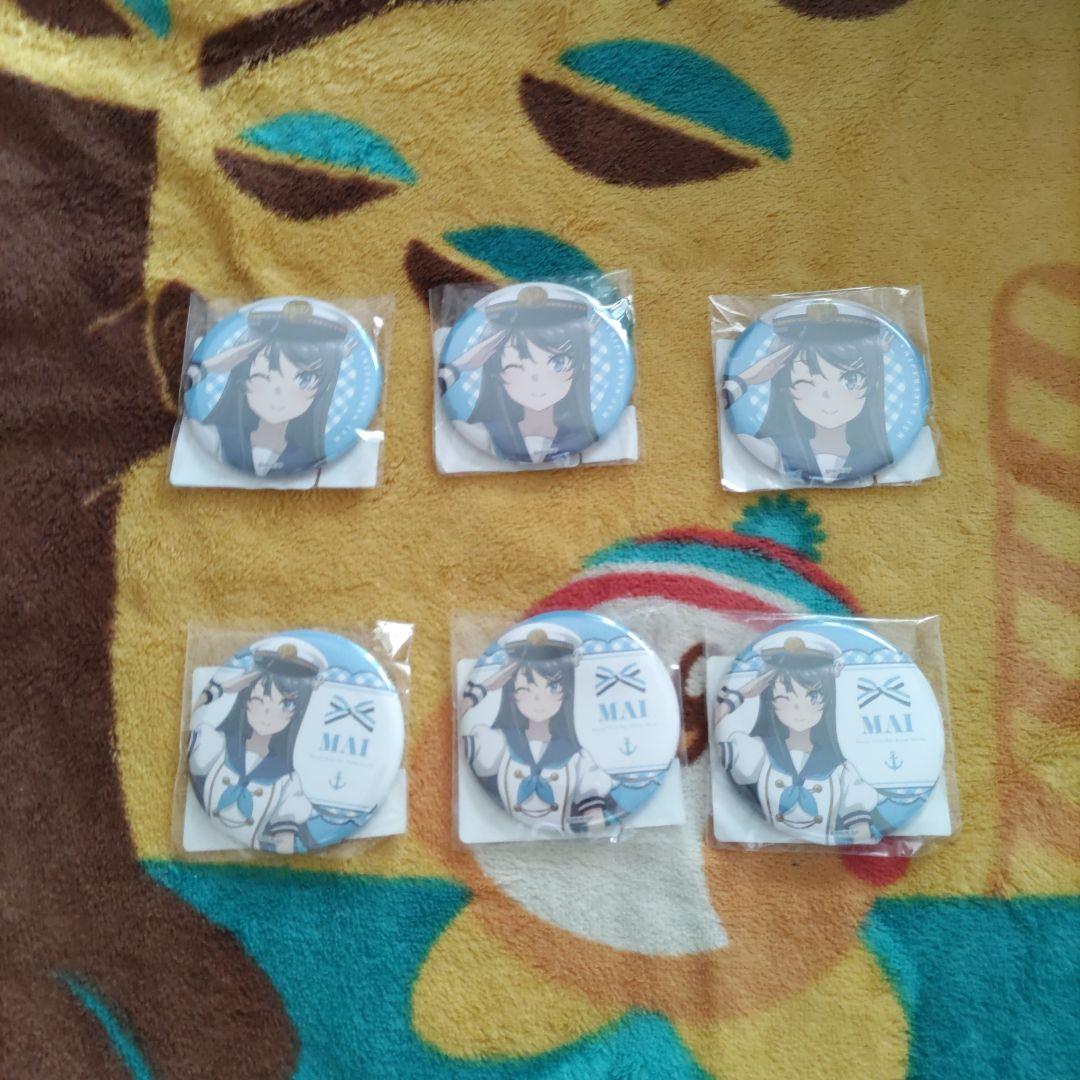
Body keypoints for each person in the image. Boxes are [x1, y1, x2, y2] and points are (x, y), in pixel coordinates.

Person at [713, 633, 878, 844]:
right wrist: (739, 695)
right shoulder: (756, 751)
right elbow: (710, 743)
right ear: (770, 702)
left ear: (828, 700)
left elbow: (861, 834)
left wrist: (838, 846)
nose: (798, 709)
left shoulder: (841, 771)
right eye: (784, 698)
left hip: (826, 858)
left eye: (812, 697)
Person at [461, 623, 612, 831]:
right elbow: (450, 744)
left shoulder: (578, 759)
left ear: (566, 691)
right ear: (511, 693)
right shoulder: (496, 743)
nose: (538, 699)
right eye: (525, 688)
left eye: (552, 687)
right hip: (505, 836)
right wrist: (482, 688)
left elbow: (596, 823)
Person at [721, 302, 893, 483]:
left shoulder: (876, 457)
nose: (828, 396)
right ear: (786, 388)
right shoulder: (772, 451)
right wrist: (746, 379)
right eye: (806, 382)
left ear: (873, 383)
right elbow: (721, 425)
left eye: (850, 380)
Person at [188, 637, 324, 852]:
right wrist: (218, 689)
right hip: (202, 837)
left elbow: (285, 845)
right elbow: (181, 735)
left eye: (286, 705)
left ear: (296, 714)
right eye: (259, 699)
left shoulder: (286, 781)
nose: (268, 713)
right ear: (245, 699)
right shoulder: (216, 744)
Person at [439, 285, 597, 463]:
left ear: (579, 366)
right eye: (515, 366)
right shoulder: (481, 435)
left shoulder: (586, 437)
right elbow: (433, 407)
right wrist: (458, 366)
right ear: (497, 373)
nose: (536, 379)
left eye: (557, 363)